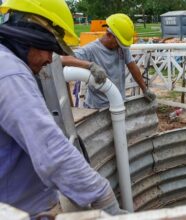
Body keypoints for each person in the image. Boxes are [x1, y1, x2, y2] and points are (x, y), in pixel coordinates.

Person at [0, 0, 126, 218]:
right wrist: (103, 196)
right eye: (50, 49)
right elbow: (50, 150)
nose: (50, 59)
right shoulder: (12, 75)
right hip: (18, 211)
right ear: (31, 36)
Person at [61, 13, 156, 109]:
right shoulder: (91, 49)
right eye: (118, 43)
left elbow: (132, 66)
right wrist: (90, 65)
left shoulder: (121, 47)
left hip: (118, 102)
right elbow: (64, 59)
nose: (120, 46)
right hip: (97, 107)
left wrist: (144, 89)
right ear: (109, 34)